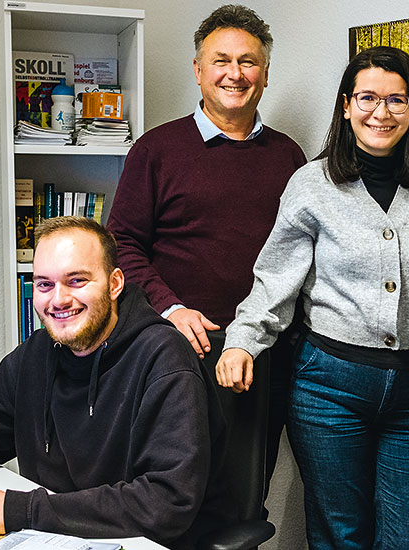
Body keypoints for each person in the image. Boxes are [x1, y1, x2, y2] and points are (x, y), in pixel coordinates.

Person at [216, 46, 409, 549]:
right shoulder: (311, 184)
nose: (381, 112)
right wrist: (242, 341)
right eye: (368, 97)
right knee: (340, 536)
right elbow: (275, 280)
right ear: (347, 106)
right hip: (330, 389)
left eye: (397, 100)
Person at [0, 217, 226, 549]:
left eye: (76, 280)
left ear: (115, 283)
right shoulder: (36, 355)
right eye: (44, 284)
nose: (58, 300)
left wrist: (22, 510)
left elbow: (166, 502)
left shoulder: (164, 358)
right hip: (57, 538)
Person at [106, 4, 305, 497]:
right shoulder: (156, 150)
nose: (234, 74)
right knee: (175, 495)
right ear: (198, 71)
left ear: (264, 74)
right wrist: (169, 307)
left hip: (264, 352)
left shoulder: (289, 156)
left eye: (248, 62)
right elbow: (121, 243)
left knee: (245, 500)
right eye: (221, 61)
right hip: (180, 350)